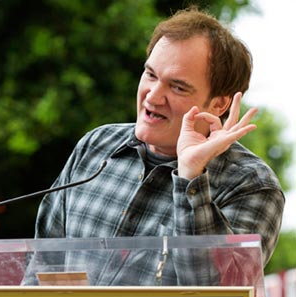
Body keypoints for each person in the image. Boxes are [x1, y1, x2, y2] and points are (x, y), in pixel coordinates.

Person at [34, 6, 285, 271]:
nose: (153, 96)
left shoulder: (252, 185)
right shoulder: (96, 146)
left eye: (177, 86)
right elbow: (41, 270)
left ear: (218, 105)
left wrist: (191, 177)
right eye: (151, 74)